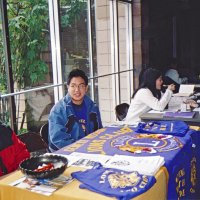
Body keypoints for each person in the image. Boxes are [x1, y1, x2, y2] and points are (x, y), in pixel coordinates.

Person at [48, 69, 103, 152]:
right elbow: (58, 140)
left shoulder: (93, 107)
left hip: (89, 149)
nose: (77, 90)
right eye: (73, 86)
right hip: (64, 153)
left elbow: (99, 132)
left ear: (86, 88)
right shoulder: (58, 110)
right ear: (68, 87)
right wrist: (80, 149)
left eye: (81, 86)